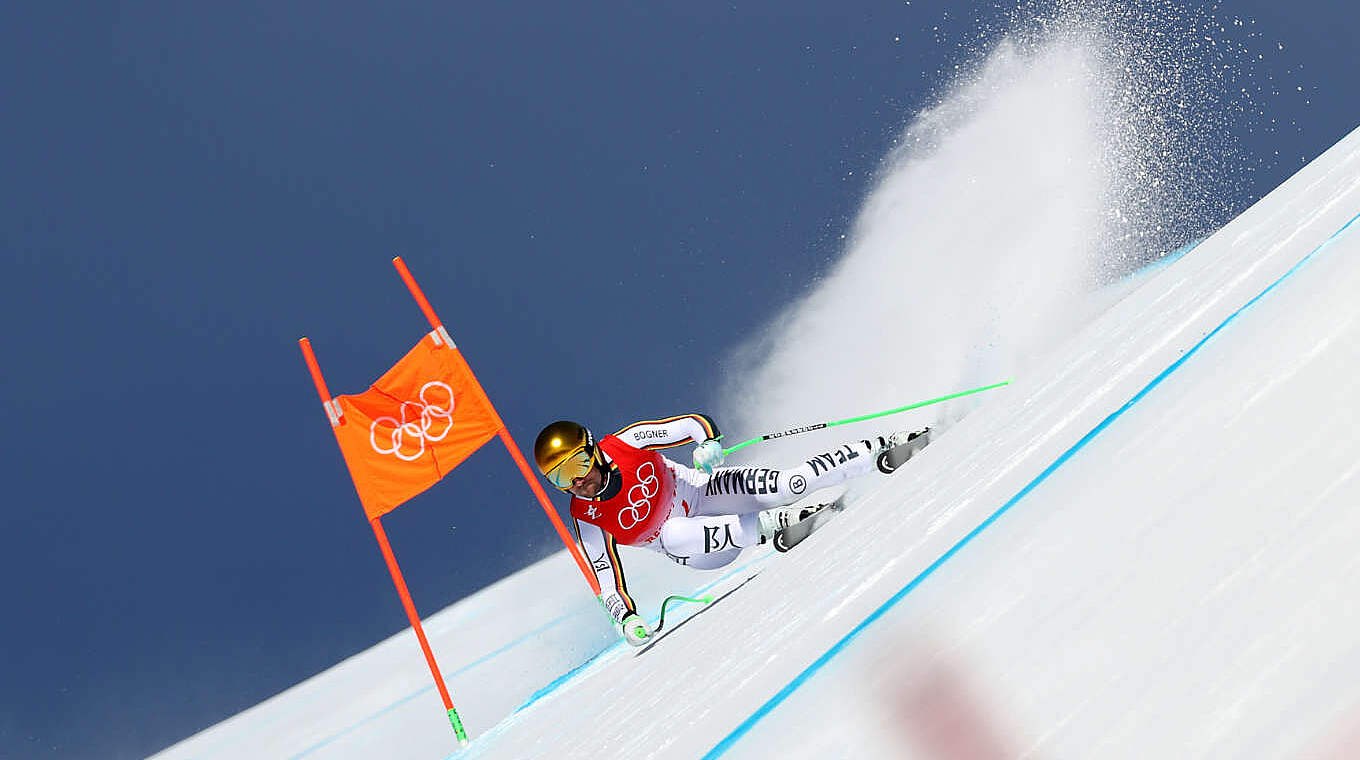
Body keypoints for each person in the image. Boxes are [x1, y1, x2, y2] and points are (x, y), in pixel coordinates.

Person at [532, 413, 929, 646]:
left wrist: (708, 443)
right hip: (701, 547)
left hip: (704, 491)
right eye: (560, 477)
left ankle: (879, 450)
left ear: (593, 451)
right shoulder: (585, 513)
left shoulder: (626, 442)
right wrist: (625, 619)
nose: (576, 481)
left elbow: (693, 423)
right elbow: (605, 578)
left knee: (787, 484)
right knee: (671, 535)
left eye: (577, 465)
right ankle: (773, 526)